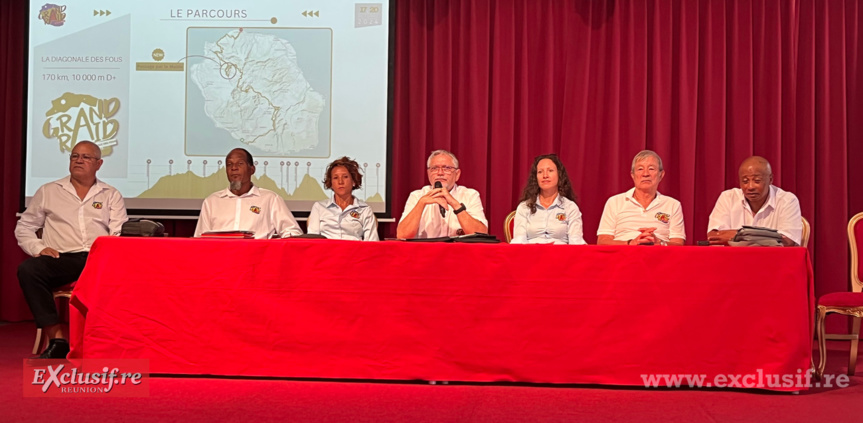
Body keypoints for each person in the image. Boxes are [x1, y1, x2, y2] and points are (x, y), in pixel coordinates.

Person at [15, 140, 128, 359]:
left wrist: (108, 255)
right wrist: (39, 248)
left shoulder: (110, 194)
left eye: (86, 157)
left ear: (99, 164)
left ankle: (116, 341)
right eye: (75, 156)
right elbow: (25, 227)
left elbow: (118, 233)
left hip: (99, 259)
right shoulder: (49, 191)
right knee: (28, 270)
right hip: (62, 258)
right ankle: (57, 339)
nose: (79, 160)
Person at [194, 148, 302, 239]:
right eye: (229, 164)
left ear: (252, 170)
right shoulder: (212, 201)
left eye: (240, 163)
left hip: (258, 260)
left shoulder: (270, 199)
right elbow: (200, 239)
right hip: (222, 259)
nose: (234, 168)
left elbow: (292, 232)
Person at [707, 156, 802, 246]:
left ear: (770, 179)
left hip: (772, 260)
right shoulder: (728, 197)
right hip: (735, 260)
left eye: (757, 181)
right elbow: (714, 236)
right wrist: (767, 238)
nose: (750, 187)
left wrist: (740, 235)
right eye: (745, 181)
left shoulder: (787, 200)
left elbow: (787, 241)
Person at [597, 150, 685, 246]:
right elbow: (602, 241)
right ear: (632, 175)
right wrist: (631, 243)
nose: (645, 174)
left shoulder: (673, 204)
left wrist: (660, 243)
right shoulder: (614, 202)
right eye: (640, 169)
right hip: (624, 256)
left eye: (651, 169)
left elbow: (678, 243)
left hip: (660, 256)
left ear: (661, 175)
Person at [396, 149, 488, 239]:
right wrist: (421, 204)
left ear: (457, 174)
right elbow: (402, 235)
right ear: (428, 173)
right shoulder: (417, 196)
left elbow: (481, 234)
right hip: (426, 252)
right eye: (434, 168)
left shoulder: (470, 195)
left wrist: (455, 204)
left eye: (447, 168)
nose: (440, 173)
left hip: (459, 253)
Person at [511, 154, 586, 245]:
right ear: (536, 177)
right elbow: (519, 242)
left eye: (550, 171)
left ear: (559, 175)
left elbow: (576, 243)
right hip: (531, 256)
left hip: (561, 257)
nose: (545, 175)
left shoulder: (570, 207)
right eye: (540, 172)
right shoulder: (524, 207)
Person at [307, 157, 379, 241]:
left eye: (345, 177)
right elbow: (312, 241)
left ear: (354, 181)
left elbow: (372, 243)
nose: (340, 182)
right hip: (327, 253)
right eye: (335, 178)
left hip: (355, 253)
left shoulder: (365, 210)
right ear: (331, 183)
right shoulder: (319, 207)